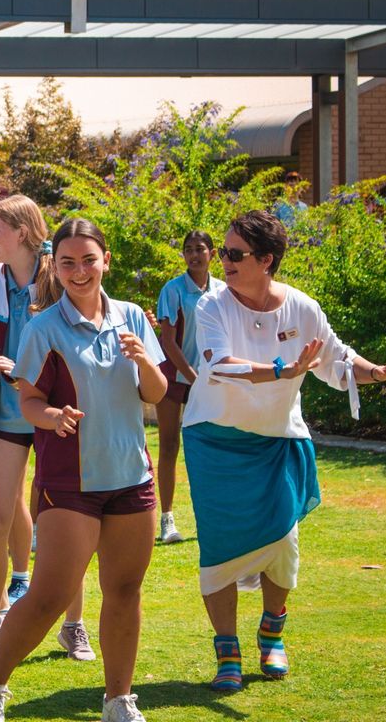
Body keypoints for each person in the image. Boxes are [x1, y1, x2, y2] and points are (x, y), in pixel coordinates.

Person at [181, 210, 386, 692]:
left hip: (278, 439)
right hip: (214, 439)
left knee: (283, 542)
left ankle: (272, 633)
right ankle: (227, 650)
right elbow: (219, 366)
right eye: (223, 251)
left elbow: (337, 359)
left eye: (235, 254)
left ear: (266, 260)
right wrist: (282, 370)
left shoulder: (302, 307)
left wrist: (379, 372)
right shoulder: (212, 305)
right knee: (219, 548)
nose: (223, 260)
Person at [0, 218, 167, 722]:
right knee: (49, 597)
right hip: (70, 483)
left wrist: (146, 362)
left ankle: (118, 701)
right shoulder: (43, 328)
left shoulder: (131, 317)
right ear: (54, 267)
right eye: (67, 263)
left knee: (124, 592)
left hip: (132, 479)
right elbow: (28, 401)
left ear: (106, 261)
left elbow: (155, 393)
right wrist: (52, 416)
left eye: (88, 260)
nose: (79, 271)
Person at [0, 195, 91, 665]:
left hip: (54, 415)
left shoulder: (59, 280)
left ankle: (73, 626)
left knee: (64, 526)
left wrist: (24, 371)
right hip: (3, 418)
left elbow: (76, 345)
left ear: (23, 233)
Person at [154, 231, 223, 544]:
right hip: (174, 378)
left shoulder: (222, 290)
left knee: (209, 445)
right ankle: (167, 519)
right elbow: (168, 342)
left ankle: (212, 516)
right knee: (169, 446)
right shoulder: (173, 290)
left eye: (200, 249)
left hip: (206, 379)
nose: (194, 255)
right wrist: (194, 378)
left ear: (212, 253)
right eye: (188, 250)